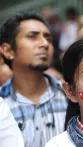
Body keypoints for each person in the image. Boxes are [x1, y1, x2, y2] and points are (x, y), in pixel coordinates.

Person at [0, 12, 67, 147]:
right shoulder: (2, 105)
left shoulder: (70, 97)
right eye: (32, 36)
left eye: (48, 38)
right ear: (8, 51)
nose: (44, 44)